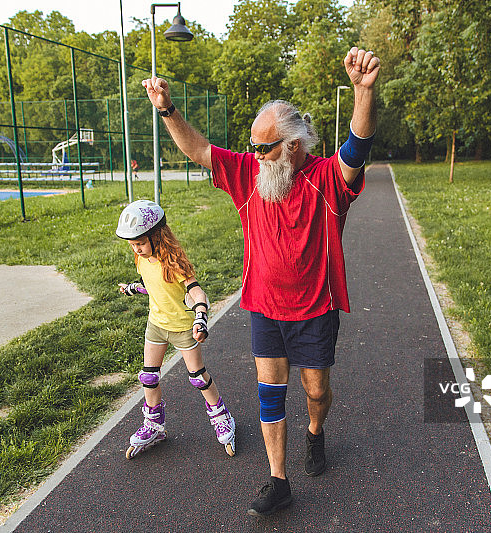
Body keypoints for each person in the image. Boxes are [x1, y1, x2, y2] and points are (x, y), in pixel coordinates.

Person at [141, 47, 379, 515]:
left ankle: (315, 433)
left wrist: (362, 92)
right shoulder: (248, 176)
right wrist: (167, 109)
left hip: (315, 310)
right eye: (251, 145)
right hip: (265, 307)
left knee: (315, 391)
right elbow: (199, 149)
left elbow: (358, 145)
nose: (254, 154)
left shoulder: (328, 179)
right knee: (269, 392)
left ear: (292, 145)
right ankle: (278, 480)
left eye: (263, 147)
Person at [117, 199, 236, 459]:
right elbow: (156, 287)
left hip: (182, 328)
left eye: (139, 243)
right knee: (148, 376)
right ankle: (154, 425)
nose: (135, 249)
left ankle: (222, 417)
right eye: (132, 245)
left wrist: (201, 316)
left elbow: (196, 292)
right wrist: (135, 288)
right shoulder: (142, 259)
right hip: (156, 325)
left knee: (198, 377)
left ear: (156, 236)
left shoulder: (174, 262)